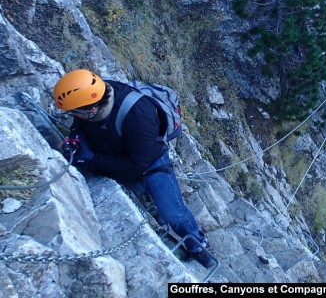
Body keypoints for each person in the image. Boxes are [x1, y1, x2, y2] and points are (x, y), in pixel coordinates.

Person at [52, 69, 215, 267]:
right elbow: (80, 121)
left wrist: (93, 159)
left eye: (73, 112)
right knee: (150, 201)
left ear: (92, 110)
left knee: (173, 213)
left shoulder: (138, 115)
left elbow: (137, 165)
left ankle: (198, 245)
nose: (72, 115)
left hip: (150, 163)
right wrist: (76, 136)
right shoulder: (93, 94)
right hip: (114, 150)